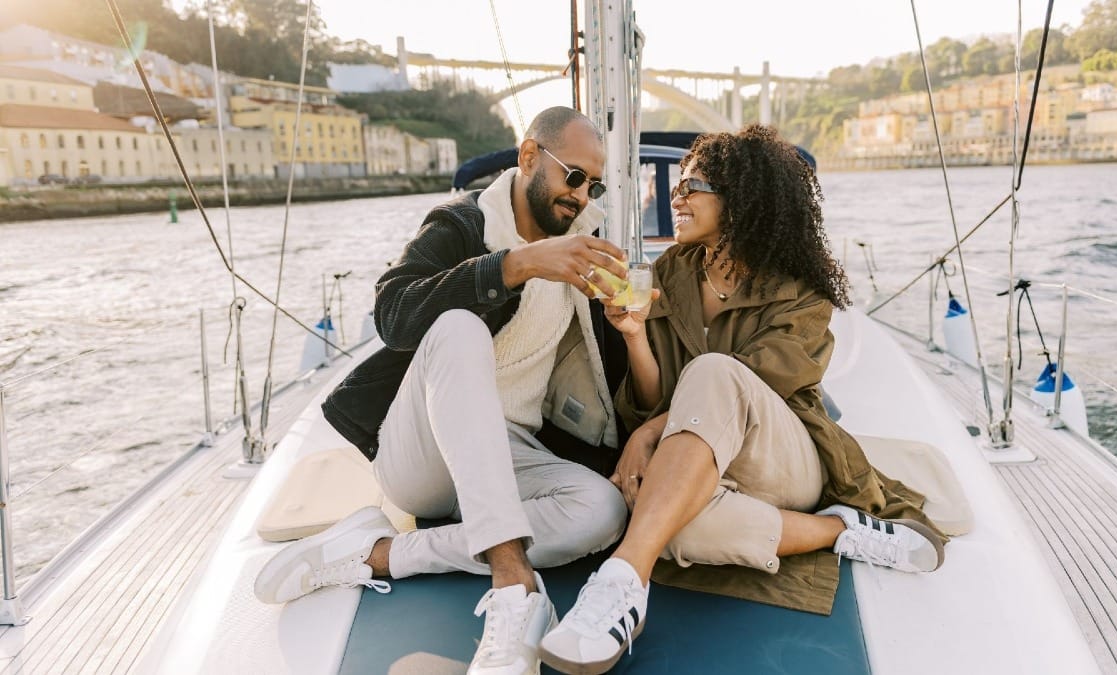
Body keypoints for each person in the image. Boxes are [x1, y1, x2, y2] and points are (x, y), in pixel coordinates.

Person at [538, 125, 948, 674]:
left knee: (713, 373)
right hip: (697, 458)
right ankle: (840, 530)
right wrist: (635, 336)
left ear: (742, 198)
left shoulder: (801, 291)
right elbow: (653, 397)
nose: (674, 198)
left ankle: (621, 580)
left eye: (692, 186)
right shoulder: (671, 273)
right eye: (675, 187)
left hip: (782, 458)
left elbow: (753, 384)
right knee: (677, 527)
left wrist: (646, 433)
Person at [254, 106, 633, 675]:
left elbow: (610, 377)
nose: (581, 196)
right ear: (529, 156)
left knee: (602, 511)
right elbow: (393, 313)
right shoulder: (461, 224)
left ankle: (378, 554)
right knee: (458, 326)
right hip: (426, 454)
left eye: (593, 184)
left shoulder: (585, 250)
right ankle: (515, 589)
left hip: (512, 456)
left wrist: (631, 325)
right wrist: (517, 265)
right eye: (571, 176)